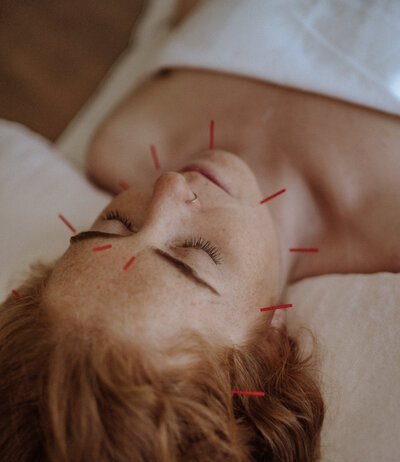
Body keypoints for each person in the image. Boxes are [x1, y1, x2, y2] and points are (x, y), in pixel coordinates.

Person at [1, 1, 399, 461]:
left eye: (114, 225)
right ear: (270, 341)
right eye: (194, 252)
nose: (168, 187)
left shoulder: (127, 140)